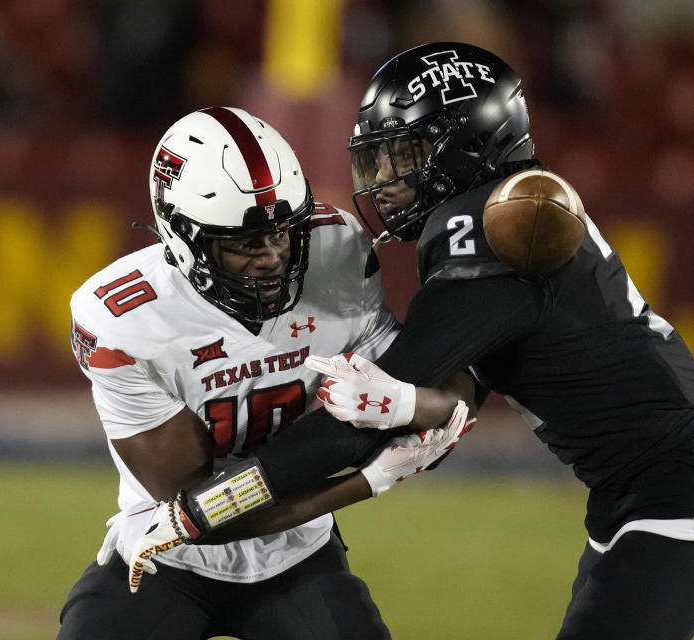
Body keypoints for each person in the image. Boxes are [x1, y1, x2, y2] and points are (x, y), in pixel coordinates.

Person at [127, 43, 694, 640]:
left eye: (403, 155)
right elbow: (444, 396)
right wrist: (409, 414)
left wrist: (197, 512)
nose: (384, 179)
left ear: (467, 145)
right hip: (647, 487)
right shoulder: (506, 209)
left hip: (677, 490)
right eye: (378, 157)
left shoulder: (486, 227)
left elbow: (359, 422)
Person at [57, 106, 473, 640]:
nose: (273, 257)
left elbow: (440, 393)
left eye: (283, 234)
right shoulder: (122, 319)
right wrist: (366, 479)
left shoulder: (337, 249)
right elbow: (199, 510)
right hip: (167, 554)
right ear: (183, 238)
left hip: (295, 554)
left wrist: (413, 407)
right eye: (245, 243)